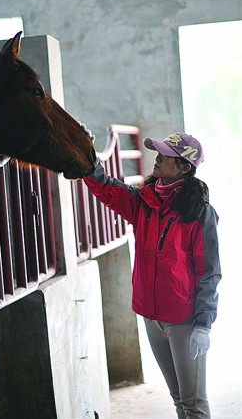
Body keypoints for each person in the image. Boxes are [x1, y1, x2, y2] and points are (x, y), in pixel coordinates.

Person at [82, 128, 221, 419]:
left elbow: (209, 273)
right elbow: (107, 187)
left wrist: (203, 324)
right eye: (158, 152)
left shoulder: (199, 212)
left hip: (183, 320)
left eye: (166, 156)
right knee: (178, 399)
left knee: (194, 403)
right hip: (149, 315)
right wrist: (85, 153)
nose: (157, 158)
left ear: (184, 168)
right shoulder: (144, 200)